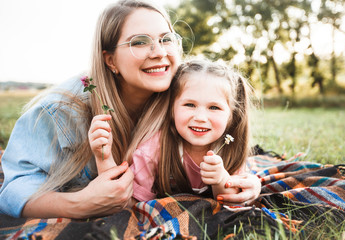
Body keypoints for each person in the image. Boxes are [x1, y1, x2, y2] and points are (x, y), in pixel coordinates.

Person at [0, 0, 182, 218]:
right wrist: (80, 204)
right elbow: (14, 189)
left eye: (166, 39)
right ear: (110, 60)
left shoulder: (189, 97)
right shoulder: (62, 109)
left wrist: (231, 182)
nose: (160, 52)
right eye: (140, 42)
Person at [91, 59, 261, 205]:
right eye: (189, 105)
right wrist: (103, 158)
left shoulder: (230, 147)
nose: (201, 117)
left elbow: (233, 202)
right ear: (171, 108)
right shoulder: (154, 148)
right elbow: (129, 202)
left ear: (232, 116)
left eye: (214, 107)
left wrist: (221, 180)